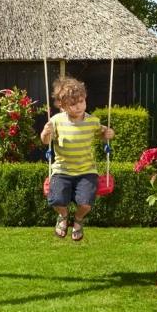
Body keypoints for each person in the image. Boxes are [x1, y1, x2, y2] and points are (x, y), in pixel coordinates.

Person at [39, 76, 114, 242]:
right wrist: (45, 132)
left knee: (86, 203)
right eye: (73, 104)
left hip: (87, 171)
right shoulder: (56, 121)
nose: (79, 106)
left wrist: (109, 134)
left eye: (81, 101)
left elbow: (104, 133)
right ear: (62, 106)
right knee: (56, 200)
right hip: (61, 170)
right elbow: (45, 141)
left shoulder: (93, 122)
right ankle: (64, 216)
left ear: (85, 99)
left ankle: (78, 219)